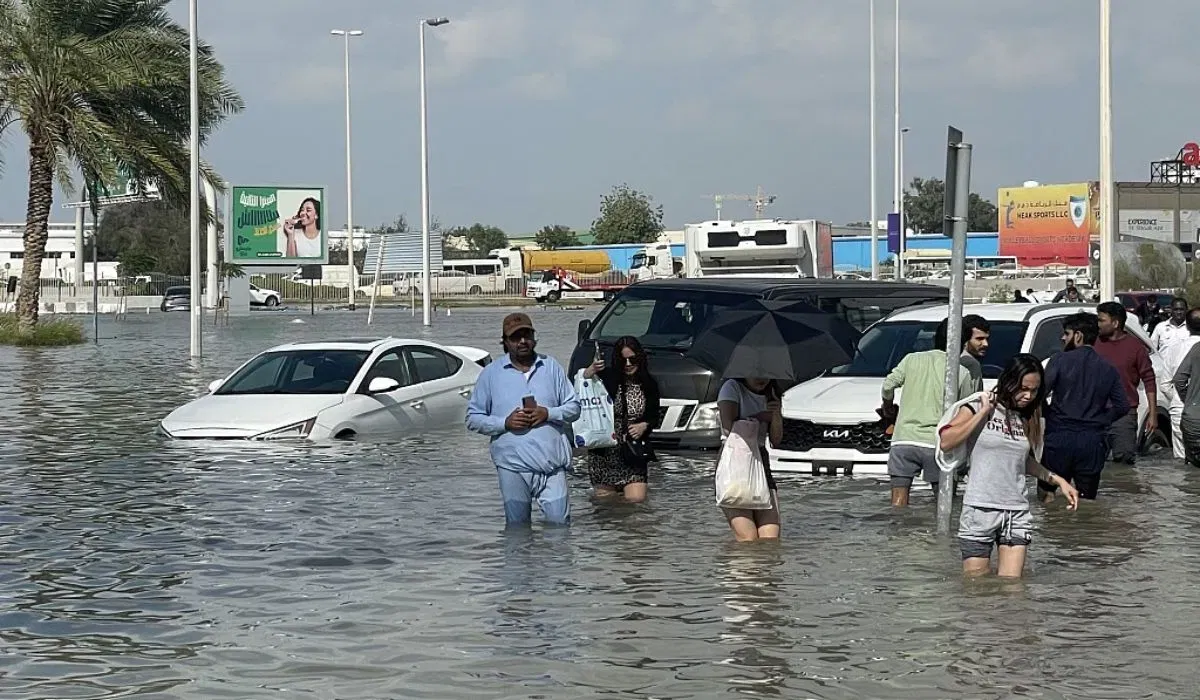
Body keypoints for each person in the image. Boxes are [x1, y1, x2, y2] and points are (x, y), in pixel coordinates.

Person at [939, 354, 1079, 578]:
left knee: (1012, 589)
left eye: (1034, 391)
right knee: (976, 587)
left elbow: (1020, 461)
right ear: (1009, 382)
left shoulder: (1024, 417)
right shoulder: (977, 405)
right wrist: (984, 412)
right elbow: (946, 441)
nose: (1028, 396)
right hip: (979, 510)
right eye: (1023, 389)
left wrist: (1057, 480)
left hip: (1017, 513)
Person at [466, 313, 581, 526]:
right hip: (512, 466)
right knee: (517, 530)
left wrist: (548, 413)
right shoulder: (491, 374)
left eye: (526, 335)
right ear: (505, 342)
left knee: (560, 529)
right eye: (515, 337)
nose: (522, 342)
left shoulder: (551, 366)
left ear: (534, 338)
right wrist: (504, 423)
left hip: (552, 466)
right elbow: (473, 419)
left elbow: (574, 408)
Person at [879, 319, 976, 507]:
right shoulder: (962, 372)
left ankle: (897, 534)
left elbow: (888, 385)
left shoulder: (911, 359)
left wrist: (887, 405)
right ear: (963, 344)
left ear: (934, 338)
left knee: (898, 503)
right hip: (937, 444)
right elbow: (966, 409)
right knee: (943, 504)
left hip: (903, 441)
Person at [1034, 312, 1130, 503]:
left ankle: (1051, 532)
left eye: (1066, 334)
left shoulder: (1059, 361)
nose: (1063, 338)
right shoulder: (1107, 367)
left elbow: (1038, 395)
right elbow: (1122, 405)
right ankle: (1083, 532)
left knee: (1048, 493)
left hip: (1059, 437)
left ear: (1078, 336)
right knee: (1086, 500)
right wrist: (1101, 420)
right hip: (1092, 441)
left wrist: (1048, 413)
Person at [581, 335, 660, 502]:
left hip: (633, 451)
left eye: (633, 359)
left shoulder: (649, 384)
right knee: (606, 508)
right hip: (604, 452)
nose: (628, 365)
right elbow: (582, 387)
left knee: (636, 504)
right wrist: (589, 372)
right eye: (624, 360)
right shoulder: (607, 378)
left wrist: (644, 425)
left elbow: (654, 416)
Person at [718, 377, 783, 542]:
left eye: (766, 373)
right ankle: (740, 568)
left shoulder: (772, 394)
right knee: (748, 538)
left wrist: (776, 415)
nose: (762, 378)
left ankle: (765, 568)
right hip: (735, 461)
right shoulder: (731, 387)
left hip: (761, 460)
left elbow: (776, 440)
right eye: (756, 372)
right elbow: (727, 428)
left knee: (771, 539)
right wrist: (759, 416)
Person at [1094, 301, 1157, 465]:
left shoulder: (1135, 347)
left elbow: (1149, 380)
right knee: (1092, 462)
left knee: (1123, 463)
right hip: (1095, 413)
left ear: (1115, 323)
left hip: (1124, 413)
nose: (1097, 324)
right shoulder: (1094, 343)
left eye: (1101, 320)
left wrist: (1153, 413)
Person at [1154, 299, 1197, 460]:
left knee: (1181, 458)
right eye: (1176, 309)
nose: (1179, 313)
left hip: (1179, 403)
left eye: (1182, 310)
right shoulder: (1161, 328)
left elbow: (1169, 383)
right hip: (1182, 401)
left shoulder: (1176, 351)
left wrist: (1179, 399)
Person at [1172, 313, 1200, 468]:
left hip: (1192, 418)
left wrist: (1189, 400)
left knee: (1191, 469)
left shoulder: (1196, 348)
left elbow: (1179, 379)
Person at [959, 314, 990, 393]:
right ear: (965, 338)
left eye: (987, 339)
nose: (985, 344)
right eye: (979, 339)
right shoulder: (970, 363)